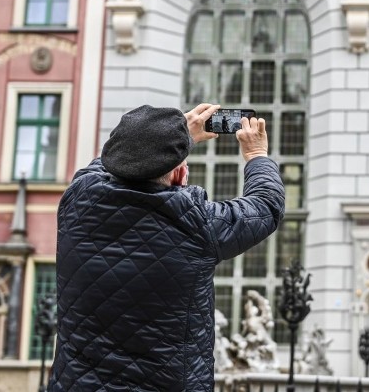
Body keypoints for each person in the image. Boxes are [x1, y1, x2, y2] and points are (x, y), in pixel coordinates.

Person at [48, 103, 284, 391]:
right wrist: (257, 155)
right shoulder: (195, 222)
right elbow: (266, 206)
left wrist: (173, 140)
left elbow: (108, 162)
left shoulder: (76, 200)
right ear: (178, 176)